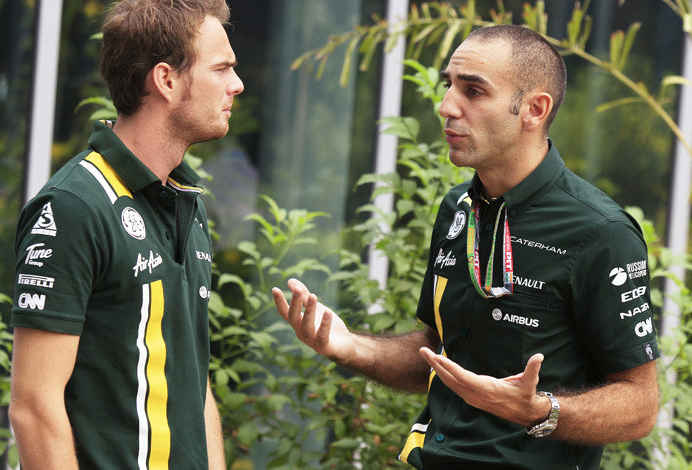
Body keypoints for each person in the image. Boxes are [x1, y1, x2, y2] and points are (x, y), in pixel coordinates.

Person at [273, 25, 659, 469]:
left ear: (534, 109)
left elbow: (640, 404)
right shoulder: (458, 207)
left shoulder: (600, 231)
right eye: (448, 85)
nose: (446, 107)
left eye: (474, 91)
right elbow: (440, 353)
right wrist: (347, 346)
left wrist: (540, 411)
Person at [8, 0, 243, 469]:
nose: (236, 84)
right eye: (221, 68)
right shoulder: (74, 205)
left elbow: (193, 382)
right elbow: (33, 405)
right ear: (166, 80)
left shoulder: (186, 201)